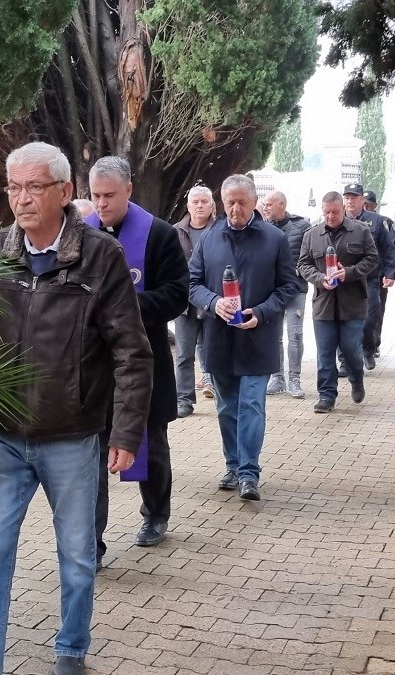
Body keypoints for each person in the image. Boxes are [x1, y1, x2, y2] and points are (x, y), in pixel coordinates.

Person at [0, 142, 153, 675]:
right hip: (2, 434)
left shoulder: (99, 257)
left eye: (33, 187)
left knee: (76, 557)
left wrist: (126, 432)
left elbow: (131, 351)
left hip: (73, 435)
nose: (21, 199)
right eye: (13, 187)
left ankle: (70, 648)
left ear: (65, 192)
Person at [87, 156, 187, 556]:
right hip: (94, 366)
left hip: (145, 357)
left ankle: (156, 512)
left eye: (109, 195)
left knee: (151, 442)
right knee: (93, 452)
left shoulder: (159, 236)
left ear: (129, 190)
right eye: (94, 196)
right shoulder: (82, 234)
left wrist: (127, 306)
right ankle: (90, 540)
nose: (101, 204)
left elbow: (178, 294)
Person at [188, 175, 295, 501]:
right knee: (226, 407)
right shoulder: (208, 239)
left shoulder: (274, 238)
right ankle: (232, 466)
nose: (235, 209)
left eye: (241, 202)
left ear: (253, 202)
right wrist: (213, 302)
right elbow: (192, 284)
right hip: (219, 337)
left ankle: (249, 473)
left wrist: (262, 312)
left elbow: (289, 286)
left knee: (251, 403)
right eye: (230, 202)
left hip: (258, 338)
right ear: (222, 202)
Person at [297, 191, 379, 413]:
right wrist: (320, 279)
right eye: (326, 213)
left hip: (352, 303)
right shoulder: (312, 235)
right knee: (324, 353)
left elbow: (372, 259)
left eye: (335, 212)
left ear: (343, 209)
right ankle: (326, 395)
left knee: (351, 349)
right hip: (323, 304)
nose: (330, 217)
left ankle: (356, 378)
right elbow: (303, 265)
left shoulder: (360, 231)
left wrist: (349, 272)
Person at [342, 183, 395, 371]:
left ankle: (368, 349)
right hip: (345, 279)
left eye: (354, 197)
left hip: (370, 278)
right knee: (344, 319)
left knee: (371, 316)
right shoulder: (337, 219)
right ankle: (345, 360)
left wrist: (390, 273)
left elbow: (388, 248)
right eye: (347, 197)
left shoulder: (376, 221)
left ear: (362, 200)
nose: (350, 201)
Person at [262, 190, 311, 398]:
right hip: (272, 290)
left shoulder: (302, 226)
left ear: (281, 204)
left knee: (295, 335)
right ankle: (277, 378)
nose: (265, 208)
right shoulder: (262, 228)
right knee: (274, 336)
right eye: (264, 205)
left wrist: (299, 269)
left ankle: (295, 379)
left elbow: (309, 253)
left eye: (269, 205)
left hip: (296, 288)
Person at [173, 185, 217, 415]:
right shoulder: (175, 232)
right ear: (188, 206)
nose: (200, 206)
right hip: (184, 304)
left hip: (212, 302)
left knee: (214, 351)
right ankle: (184, 400)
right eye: (195, 202)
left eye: (204, 202)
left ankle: (220, 393)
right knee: (183, 354)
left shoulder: (221, 230)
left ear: (211, 205)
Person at [363, 190, 395, 357]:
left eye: (369, 204)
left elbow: (390, 249)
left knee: (376, 312)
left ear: (375, 205)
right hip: (357, 276)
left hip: (377, 276)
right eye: (363, 203)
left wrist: (389, 273)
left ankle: (374, 342)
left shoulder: (383, 222)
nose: (366, 206)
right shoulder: (350, 220)